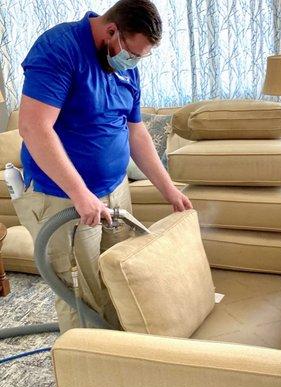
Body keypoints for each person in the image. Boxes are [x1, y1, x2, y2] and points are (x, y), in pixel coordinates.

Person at [16, 0, 193, 333]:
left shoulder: (125, 66)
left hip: (115, 191)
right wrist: (80, 193)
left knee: (116, 277)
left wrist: (169, 190)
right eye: (132, 53)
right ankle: (86, 368)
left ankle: (116, 351)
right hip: (64, 199)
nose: (133, 62)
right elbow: (34, 128)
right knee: (79, 293)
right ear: (112, 30)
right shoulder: (59, 49)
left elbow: (136, 131)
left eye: (141, 57)